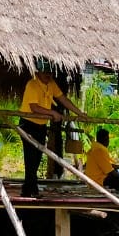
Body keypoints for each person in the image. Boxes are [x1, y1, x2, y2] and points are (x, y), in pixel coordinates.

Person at [19, 61, 86, 198]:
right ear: (38, 73)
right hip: (29, 124)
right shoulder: (32, 84)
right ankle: (31, 190)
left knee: (37, 157)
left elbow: (63, 99)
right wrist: (52, 113)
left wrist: (79, 113)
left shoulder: (51, 84)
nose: (48, 76)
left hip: (41, 125)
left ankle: (30, 189)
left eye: (50, 73)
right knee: (30, 157)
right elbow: (34, 107)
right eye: (45, 73)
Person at [84, 128, 119, 193]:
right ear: (105, 139)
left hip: (92, 179)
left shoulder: (95, 147)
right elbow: (110, 171)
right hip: (97, 180)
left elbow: (108, 165)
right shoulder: (100, 149)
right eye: (108, 139)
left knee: (117, 175)